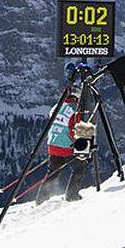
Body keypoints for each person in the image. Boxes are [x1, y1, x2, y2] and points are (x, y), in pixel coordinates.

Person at [37, 65, 88, 203]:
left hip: (53, 145)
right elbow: (74, 132)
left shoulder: (56, 107)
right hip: (66, 146)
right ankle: (72, 195)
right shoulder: (74, 110)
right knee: (80, 166)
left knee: (52, 173)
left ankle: (41, 199)